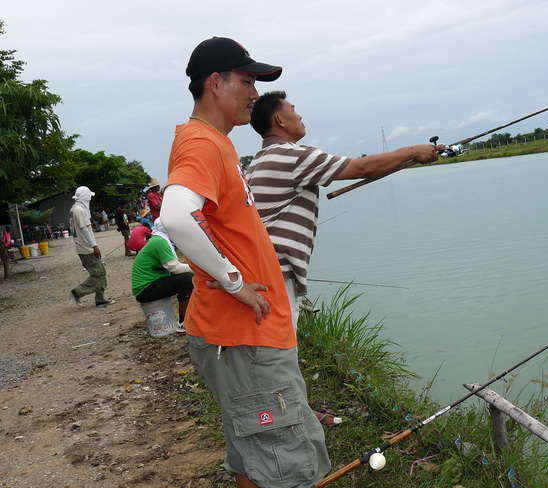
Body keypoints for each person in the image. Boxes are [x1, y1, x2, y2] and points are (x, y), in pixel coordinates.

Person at [160, 37, 330, 488]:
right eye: (248, 82)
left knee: (251, 457)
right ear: (216, 83)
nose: (255, 94)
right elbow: (176, 216)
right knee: (287, 465)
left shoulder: (216, 143)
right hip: (245, 339)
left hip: (232, 337)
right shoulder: (203, 143)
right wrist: (234, 281)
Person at [247, 90, 445, 328]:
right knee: (278, 353)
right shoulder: (294, 157)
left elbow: (365, 168)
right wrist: (412, 151)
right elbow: (362, 169)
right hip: (276, 277)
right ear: (279, 120)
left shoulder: (258, 160)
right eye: (293, 110)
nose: (299, 116)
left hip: (260, 273)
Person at [131, 218, 193, 326]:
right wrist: (197, 269)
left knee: (186, 277)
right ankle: (183, 322)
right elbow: (174, 267)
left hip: (146, 287)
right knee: (187, 279)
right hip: (145, 289)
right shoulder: (160, 242)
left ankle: (187, 317)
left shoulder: (158, 239)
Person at [69, 186, 115, 307]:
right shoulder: (79, 210)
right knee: (97, 275)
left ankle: (100, 299)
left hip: (86, 247)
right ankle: (78, 292)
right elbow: (84, 229)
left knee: (101, 272)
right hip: (86, 248)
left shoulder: (76, 208)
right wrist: (94, 246)